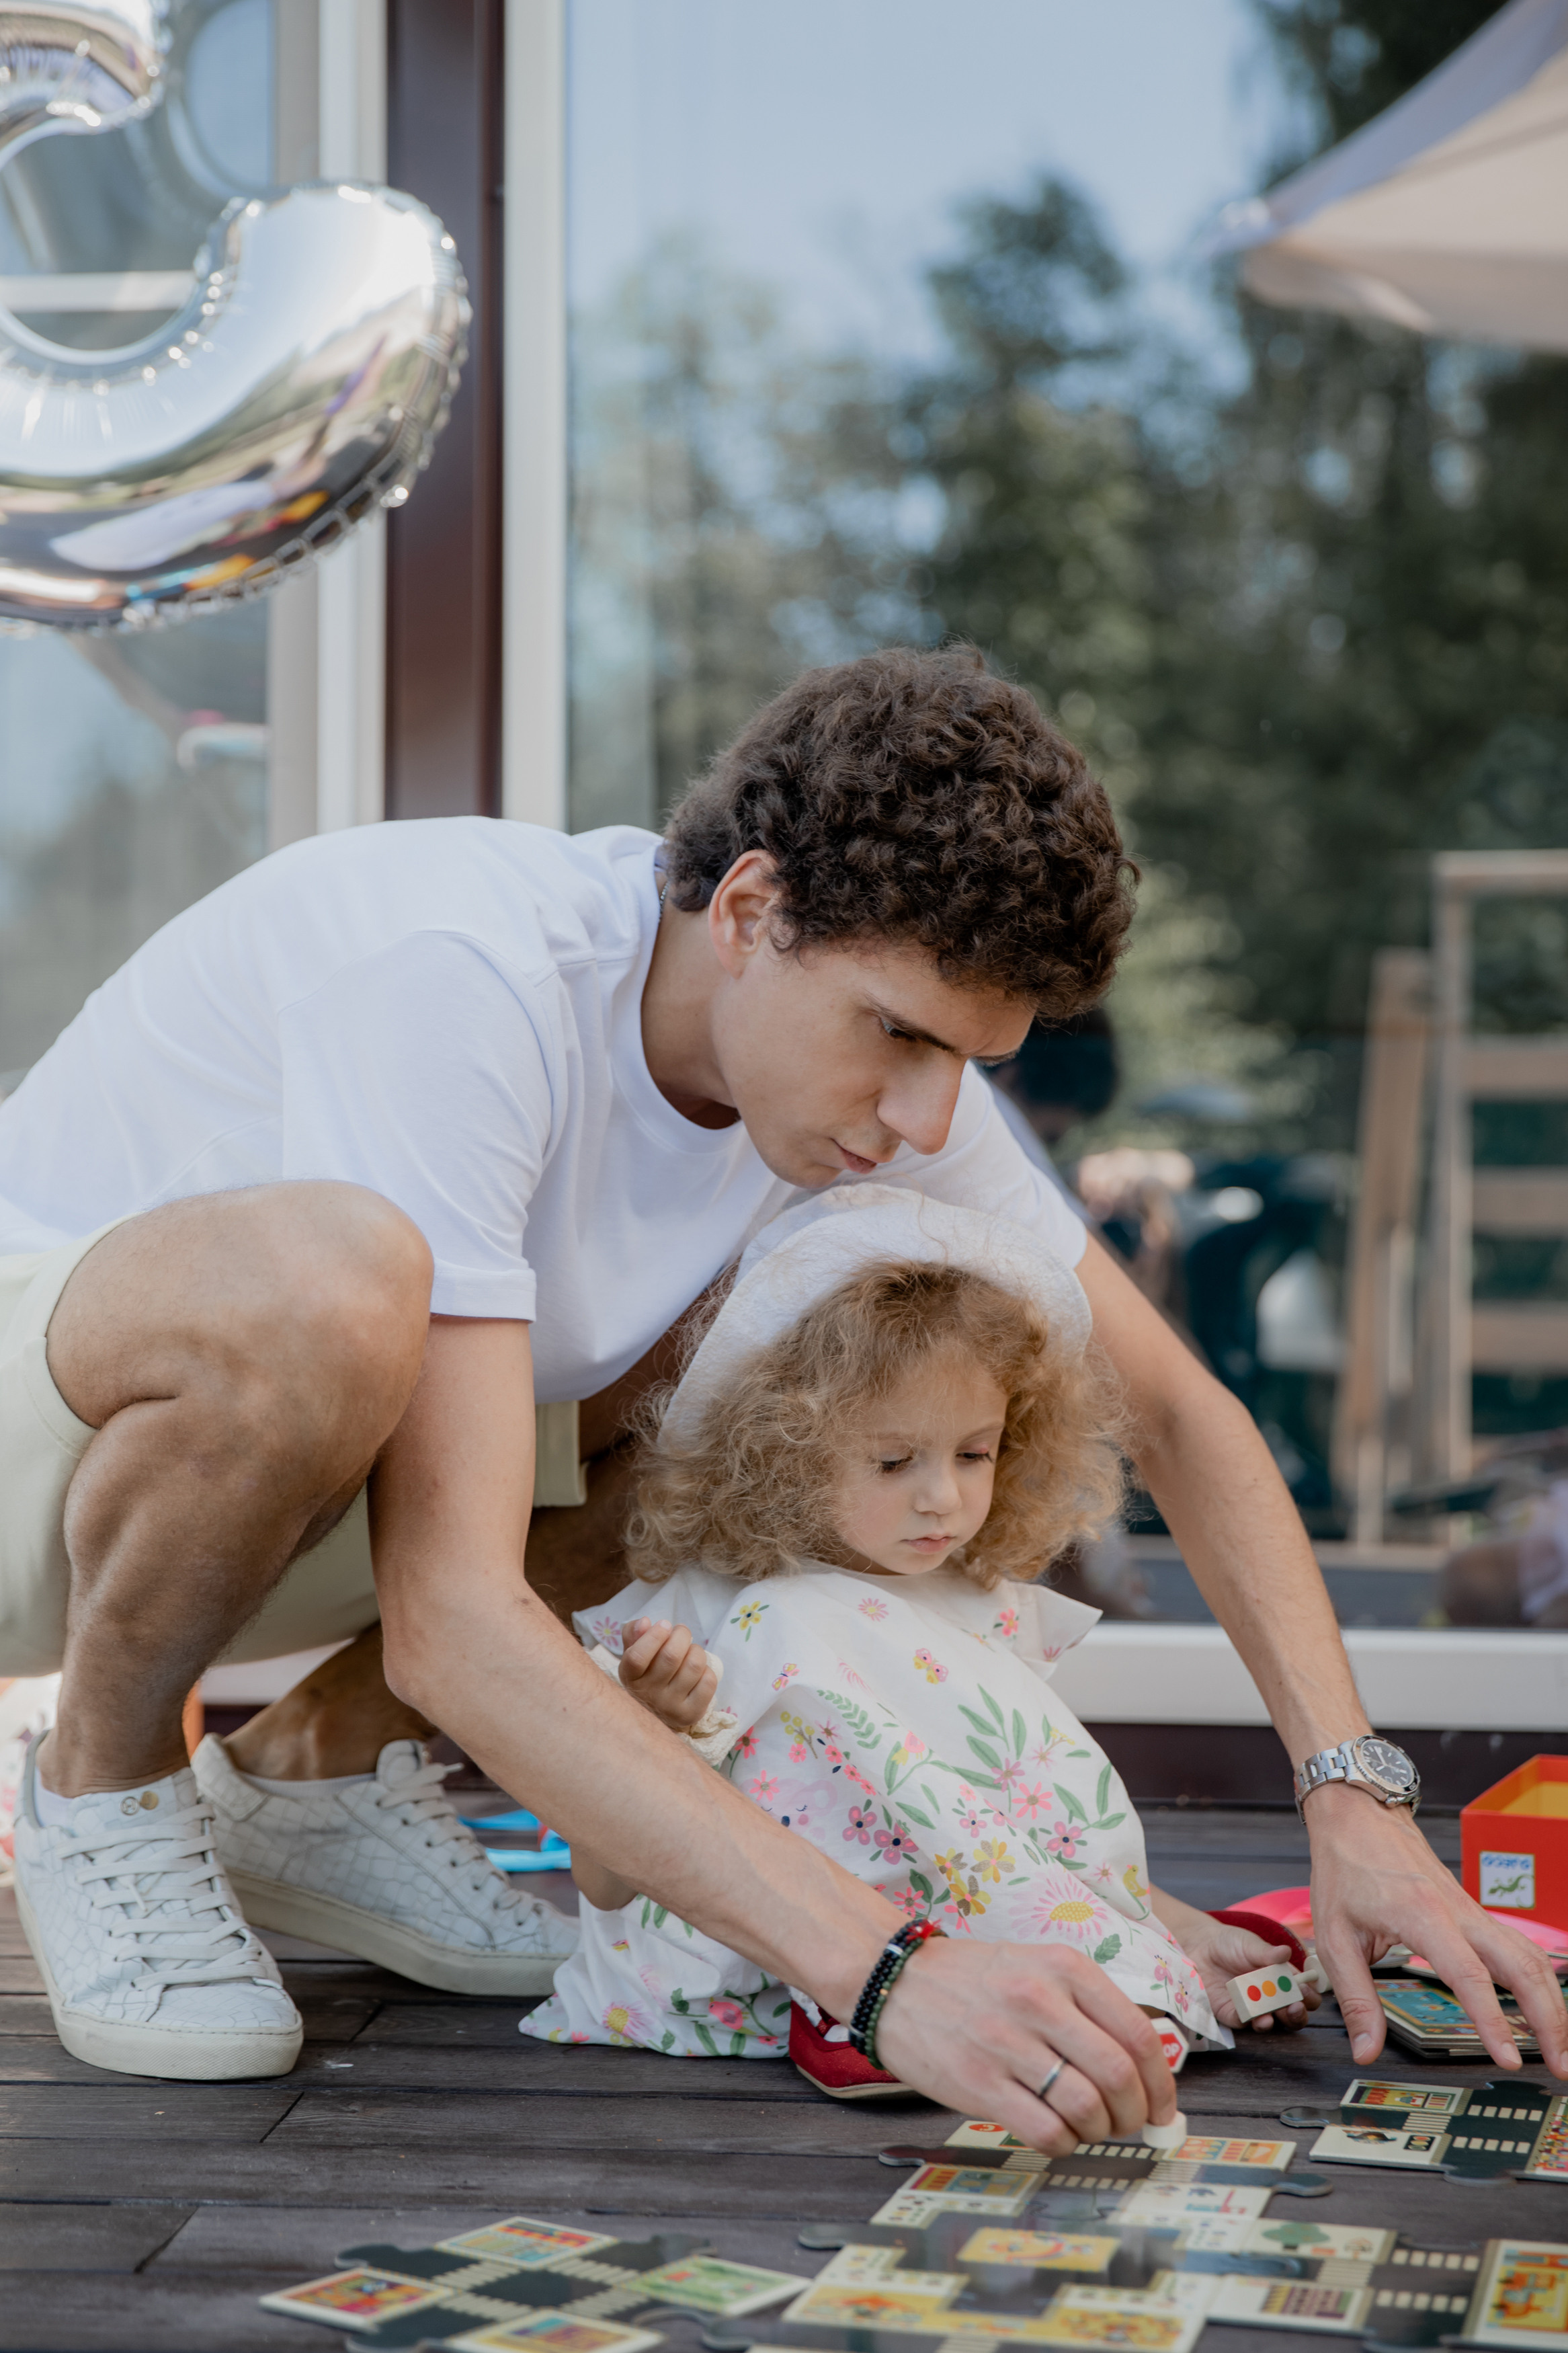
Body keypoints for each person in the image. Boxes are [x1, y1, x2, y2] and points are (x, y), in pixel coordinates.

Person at [0, 648, 1559, 2130]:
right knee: (341, 1280)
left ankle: (309, 1776)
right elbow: (451, 1612)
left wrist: (1356, 1808)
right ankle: (99, 1786)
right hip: (44, 1464)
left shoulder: (884, 1092)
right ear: (750, 907)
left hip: (271, 1516)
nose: (925, 1113)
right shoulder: (467, 965)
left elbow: (1183, 1415)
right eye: (896, 1035)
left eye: (974, 1062)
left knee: (764, 1385)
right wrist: (888, 1969)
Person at [530, 1186, 1314, 2080]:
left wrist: (1172, 1926)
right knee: (785, 1624)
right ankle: (858, 1992)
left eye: (973, 1452)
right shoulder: (725, 1614)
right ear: (784, 1446)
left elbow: (1015, 1831)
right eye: (894, 1460)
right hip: (733, 1992)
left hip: (954, 1958)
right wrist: (651, 1724)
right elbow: (603, 1876)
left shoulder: (973, 1604)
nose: (941, 1495)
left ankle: (1073, 1969)